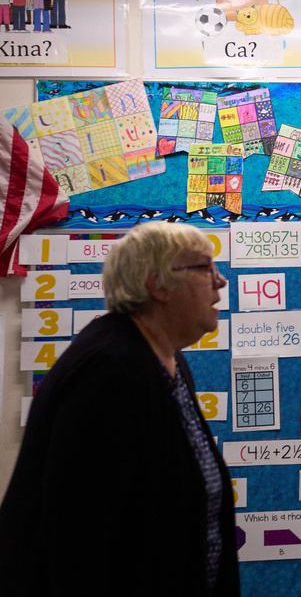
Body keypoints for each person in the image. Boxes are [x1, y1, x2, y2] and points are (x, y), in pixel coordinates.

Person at [0, 222, 240, 596]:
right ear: (158, 284)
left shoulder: (166, 360)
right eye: (206, 268)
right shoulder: (109, 371)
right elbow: (77, 538)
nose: (220, 282)